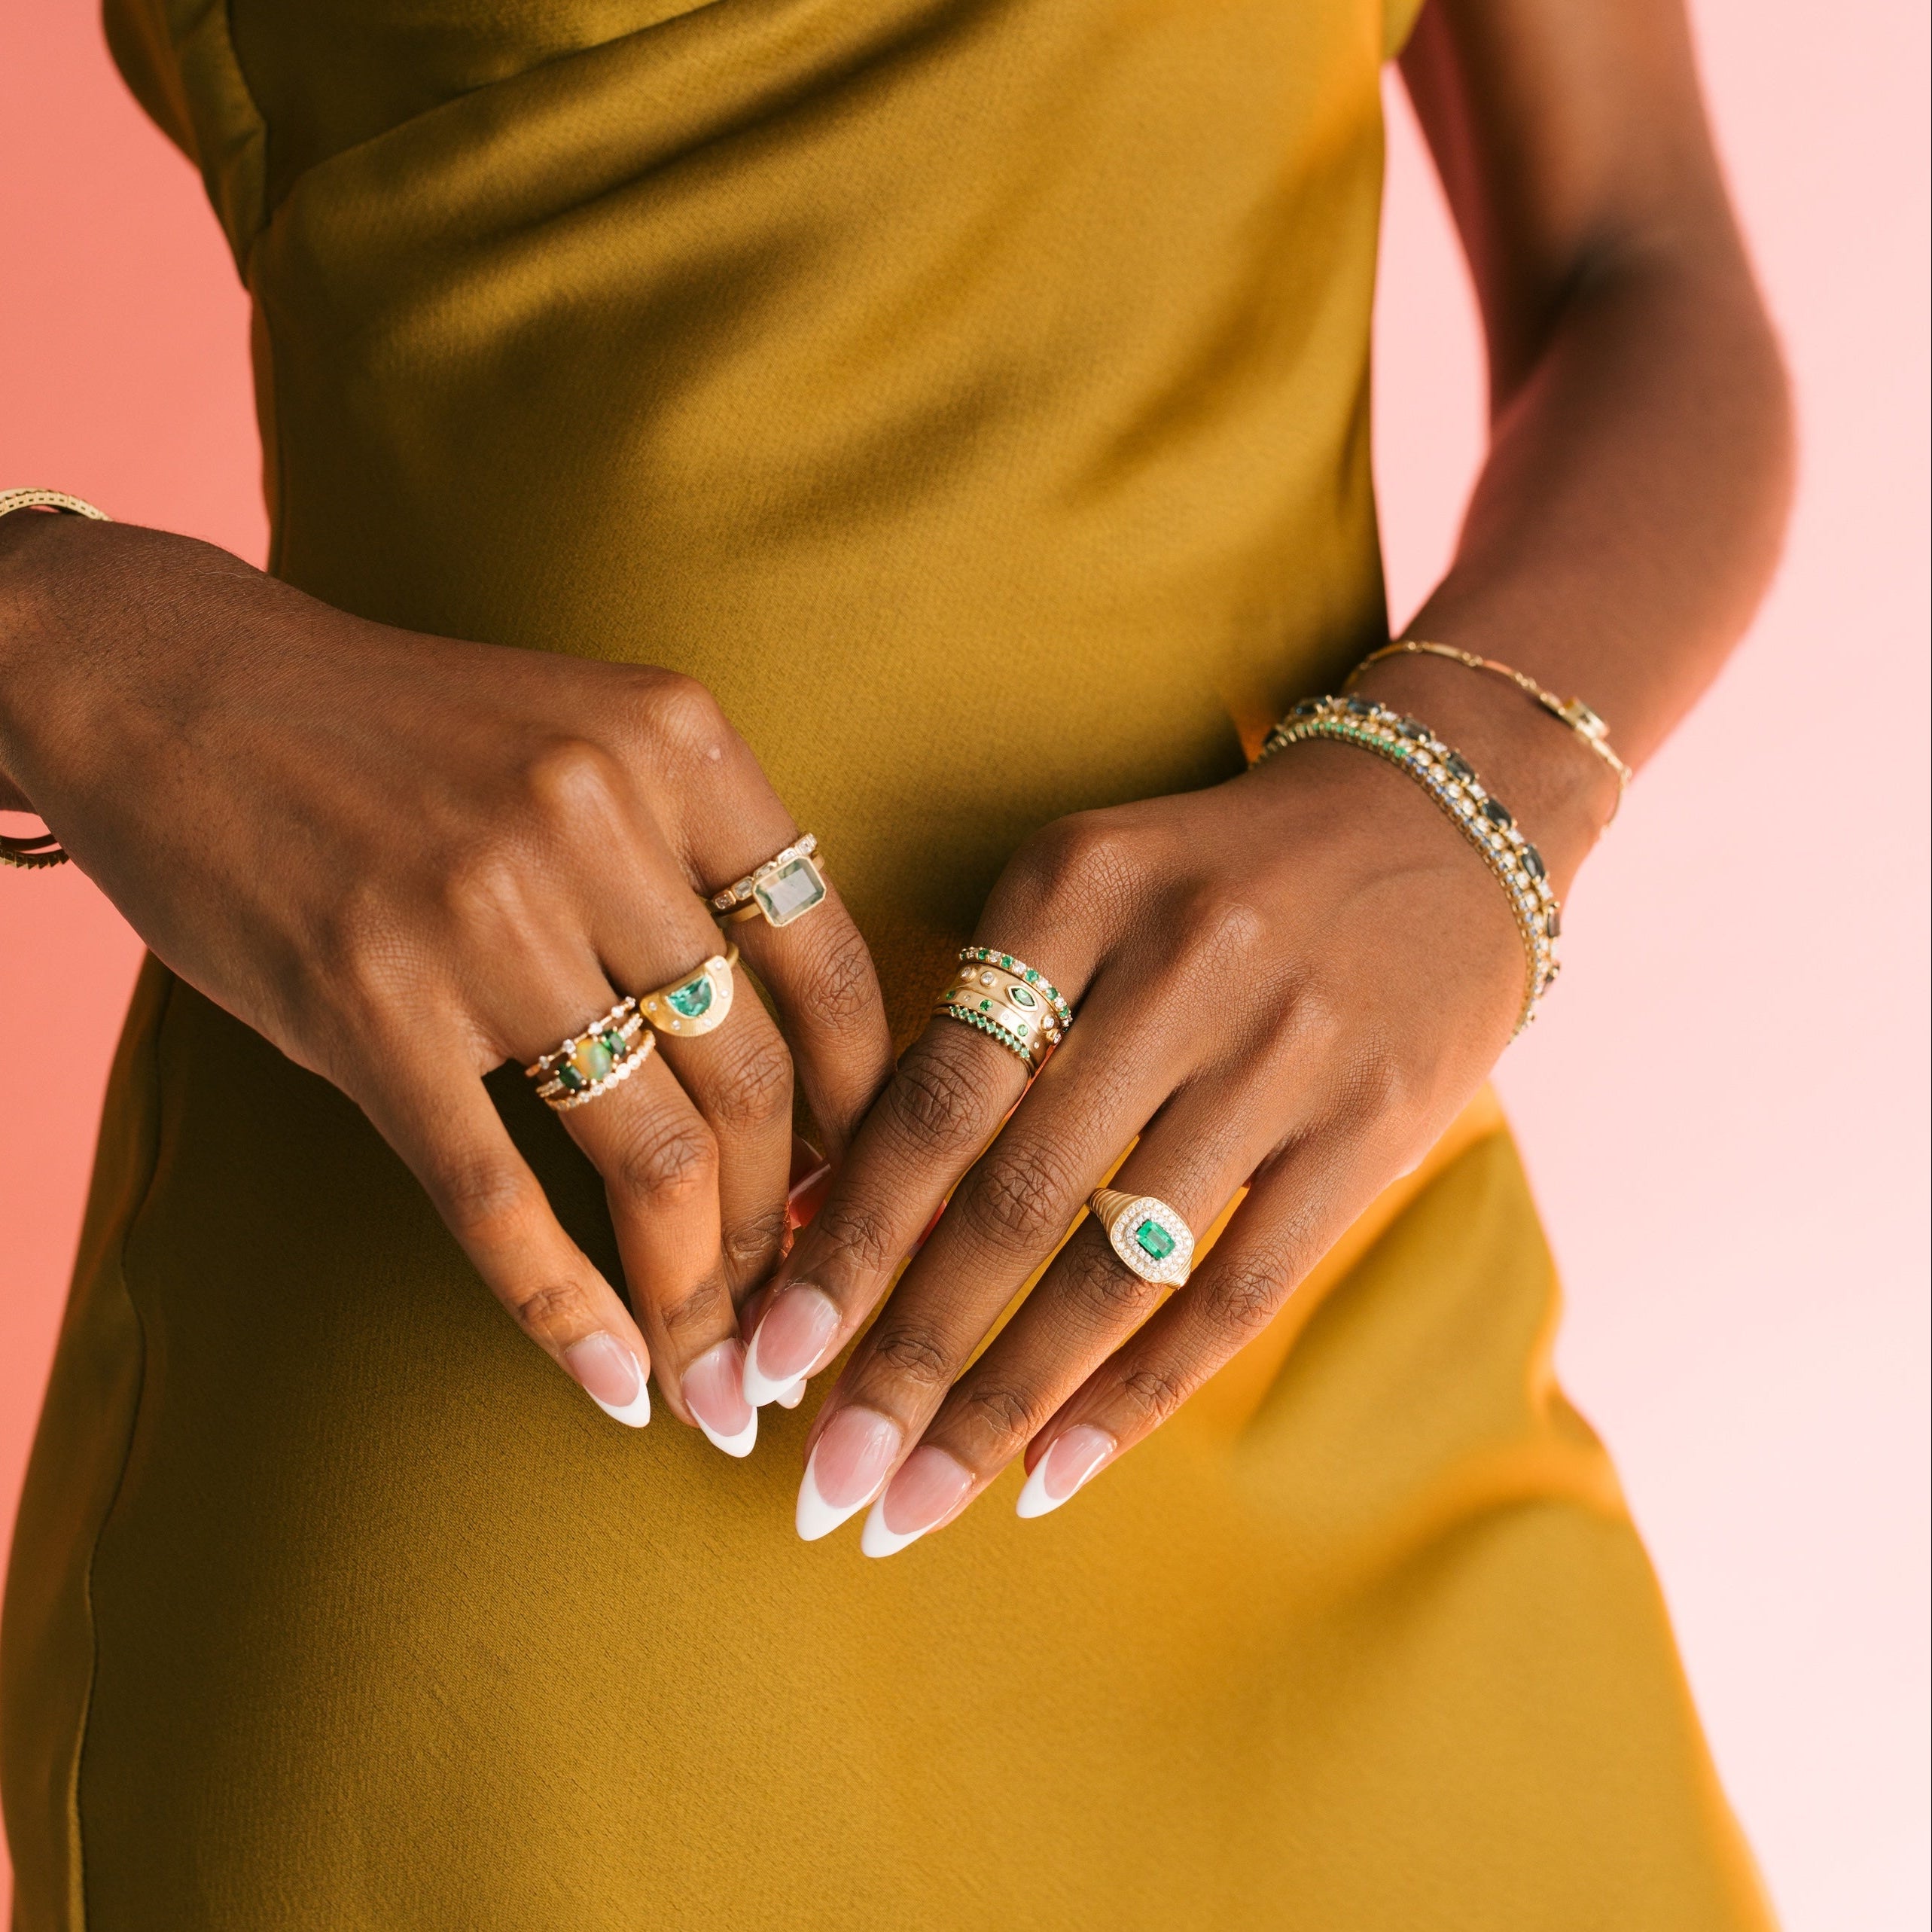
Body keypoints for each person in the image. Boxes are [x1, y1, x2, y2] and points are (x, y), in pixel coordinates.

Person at [0, 0, 1790, 1923]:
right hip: (527, 1381)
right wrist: (55, 628)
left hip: (1273, 1280)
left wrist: (1476, 796)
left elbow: (1640, 256)